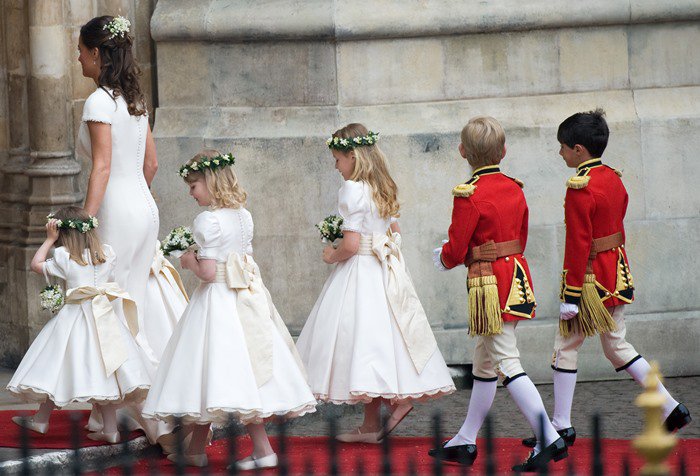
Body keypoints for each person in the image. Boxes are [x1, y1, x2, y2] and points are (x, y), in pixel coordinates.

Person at [520, 109, 691, 449]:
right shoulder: (613, 177)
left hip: (590, 281)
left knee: (564, 348)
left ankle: (561, 425)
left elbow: (579, 242)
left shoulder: (579, 187)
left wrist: (570, 296)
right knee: (616, 345)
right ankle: (671, 407)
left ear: (579, 150)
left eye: (563, 147)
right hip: (616, 272)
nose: (561, 153)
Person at [142, 150, 316, 469]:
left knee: (220, 372)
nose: (190, 193)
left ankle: (262, 450)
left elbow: (208, 272)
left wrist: (186, 259)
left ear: (209, 182)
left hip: (217, 300)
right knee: (219, 376)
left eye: (193, 185)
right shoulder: (242, 215)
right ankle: (195, 448)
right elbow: (244, 257)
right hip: (244, 299)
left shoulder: (207, 220)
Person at [297, 124, 455, 444]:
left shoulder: (353, 189)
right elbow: (395, 231)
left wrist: (332, 254)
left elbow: (352, 245)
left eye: (338, 160)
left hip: (361, 270)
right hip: (384, 270)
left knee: (360, 342)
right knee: (381, 341)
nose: (336, 166)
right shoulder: (383, 185)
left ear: (353, 157)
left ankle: (375, 421)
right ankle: (375, 422)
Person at [428, 116, 567, 472]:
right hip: (516, 277)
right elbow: (521, 237)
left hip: (489, 284)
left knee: (506, 362)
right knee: (485, 364)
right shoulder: (514, 187)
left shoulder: (469, 194)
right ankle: (465, 439)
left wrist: (444, 258)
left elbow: (457, 249)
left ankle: (547, 436)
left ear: (462, 151)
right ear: (503, 151)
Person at [76, 15, 186, 446]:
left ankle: (156, 422)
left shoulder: (99, 102)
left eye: (82, 51)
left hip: (117, 211)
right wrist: (137, 199)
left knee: (108, 311)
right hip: (144, 208)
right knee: (130, 306)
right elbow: (151, 165)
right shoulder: (134, 99)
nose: (79, 58)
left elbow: (101, 166)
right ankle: (108, 416)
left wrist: (84, 223)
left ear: (99, 54)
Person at [7, 207, 150, 443]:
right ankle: (111, 429)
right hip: (103, 318)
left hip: (73, 319)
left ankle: (42, 420)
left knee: (56, 368)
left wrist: (49, 240)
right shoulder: (106, 253)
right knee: (107, 370)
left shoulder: (64, 256)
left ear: (62, 233)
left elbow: (36, 264)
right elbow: (110, 280)